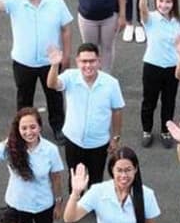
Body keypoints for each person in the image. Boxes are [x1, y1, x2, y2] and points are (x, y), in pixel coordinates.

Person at [0, 0, 73, 142]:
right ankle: (23, 130)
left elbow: (66, 29)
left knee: (54, 97)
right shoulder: (16, 1)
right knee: (24, 99)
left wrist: (66, 55)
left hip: (51, 62)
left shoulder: (56, 1)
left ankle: (58, 127)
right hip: (23, 62)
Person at [47, 43, 125, 186]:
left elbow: (117, 110)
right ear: (77, 62)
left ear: (99, 62)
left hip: (99, 144)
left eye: (92, 61)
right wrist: (54, 65)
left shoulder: (111, 84)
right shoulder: (70, 76)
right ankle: (75, 207)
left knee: (96, 182)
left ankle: (93, 207)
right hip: (73, 141)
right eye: (84, 61)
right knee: (75, 181)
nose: (88, 65)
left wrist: (115, 137)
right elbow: (52, 84)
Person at [129, 0, 180, 147]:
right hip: (152, 66)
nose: (164, 5)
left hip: (172, 68)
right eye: (161, 1)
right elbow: (142, 10)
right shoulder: (150, 18)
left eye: (168, 1)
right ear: (156, 1)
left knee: (169, 101)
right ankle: (147, 130)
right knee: (149, 101)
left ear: (173, 3)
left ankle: (166, 131)